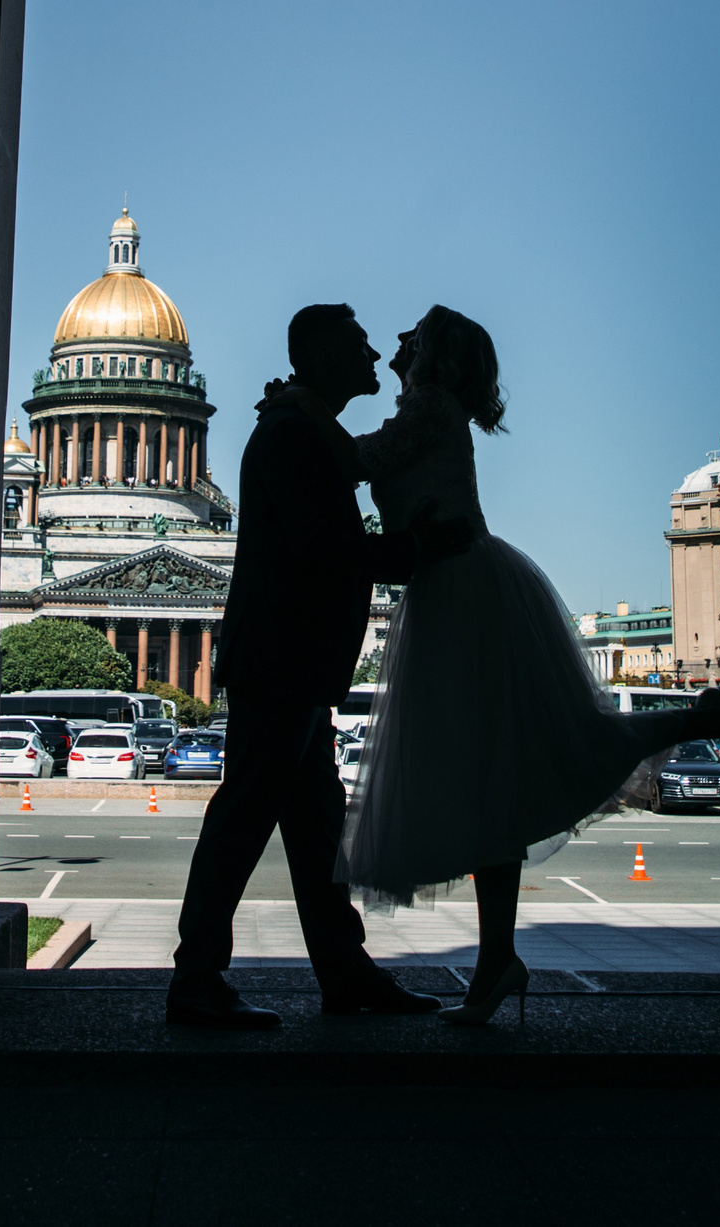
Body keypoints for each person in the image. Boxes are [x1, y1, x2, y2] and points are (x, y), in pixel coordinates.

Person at [281, 305, 720, 1026]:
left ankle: (498, 959)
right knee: (509, 779)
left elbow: (357, 461)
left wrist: (298, 403)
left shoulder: (427, 406)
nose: (399, 341)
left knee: (510, 773)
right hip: (461, 590)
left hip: (457, 595)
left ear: (437, 358)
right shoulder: (434, 406)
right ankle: (496, 961)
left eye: (414, 337)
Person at [166, 304, 475, 1030]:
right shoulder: (293, 434)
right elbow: (321, 552)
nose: (375, 355)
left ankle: (344, 974)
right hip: (283, 661)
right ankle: (198, 977)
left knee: (312, 828)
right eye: (360, 345)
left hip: (291, 663)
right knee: (243, 821)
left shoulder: (304, 428)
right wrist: (415, 549)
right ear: (326, 357)